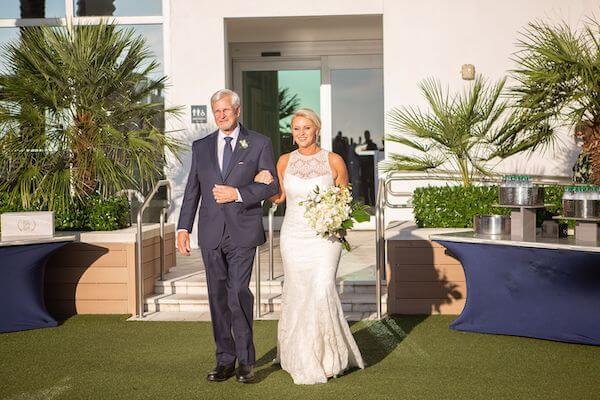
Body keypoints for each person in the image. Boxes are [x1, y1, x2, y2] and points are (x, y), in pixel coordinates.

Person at [255, 108, 365, 385]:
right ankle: (297, 353)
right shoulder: (283, 161)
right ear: (291, 133)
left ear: (316, 129)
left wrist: (337, 221)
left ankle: (329, 358)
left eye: (306, 127)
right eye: (296, 128)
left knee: (322, 287)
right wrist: (264, 182)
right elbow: (278, 198)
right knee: (299, 291)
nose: (301, 133)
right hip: (293, 237)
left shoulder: (334, 160)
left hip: (325, 238)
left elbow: (345, 199)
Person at [177, 89, 278, 383]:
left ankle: (246, 361)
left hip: (242, 233)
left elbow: (270, 186)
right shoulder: (201, 147)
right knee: (217, 297)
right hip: (210, 233)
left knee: (237, 293)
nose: (221, 116)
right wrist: (184, 228)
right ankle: (224, 359)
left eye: (225, 110)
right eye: (216, 111)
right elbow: (192, 190)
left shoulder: (259, 143)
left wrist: (237, 193)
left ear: (237, 111)